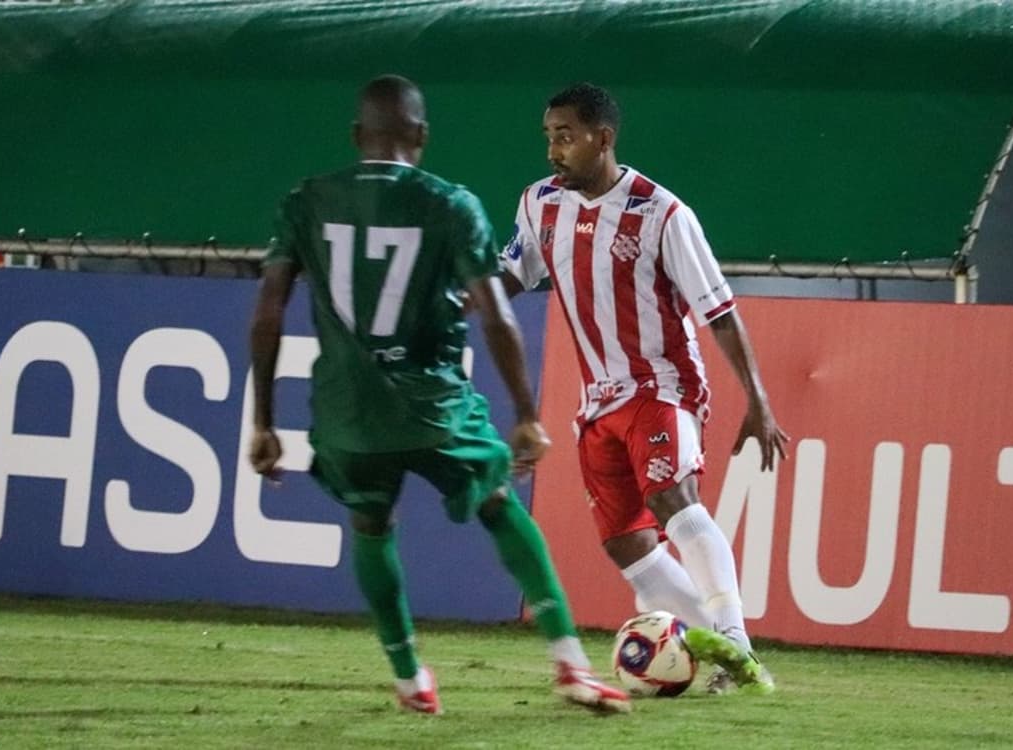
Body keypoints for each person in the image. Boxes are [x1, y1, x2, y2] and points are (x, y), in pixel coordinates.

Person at [247, 75, 630, 716]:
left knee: (370, 524)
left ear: (355, 136)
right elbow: (494, 315)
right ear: (421, 135)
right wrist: (528, 415)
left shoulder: (307, 199)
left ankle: (409, 680)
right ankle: (569, 664)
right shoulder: (450, 204)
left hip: (347, 412)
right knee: (501, 505)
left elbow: (268, 313)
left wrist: (261, 422)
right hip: (433, 403)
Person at [497, 82, 790, 695]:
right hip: (598, 401)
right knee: (628, 545)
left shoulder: (662, 213)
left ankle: (733, 641)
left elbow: (719, 311)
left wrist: (758, 401)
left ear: (603, 139)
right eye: (549, 136)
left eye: (567, 137)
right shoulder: (539, 205)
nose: (554, 150)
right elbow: (510, 277)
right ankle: (725, 654)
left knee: (673, 500)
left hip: (662, 384)